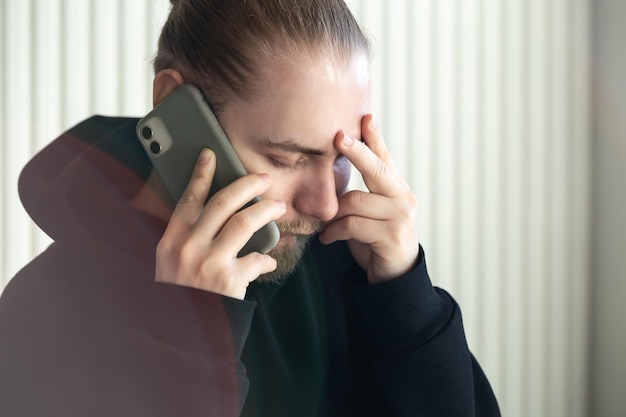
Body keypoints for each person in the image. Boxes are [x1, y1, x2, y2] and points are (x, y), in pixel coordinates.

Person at [0, 0, 500, 416]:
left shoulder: (350, 269)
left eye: (343, 158)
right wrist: (188, 346)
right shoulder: (42, 312)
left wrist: (407, 304)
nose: (326, 205)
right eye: (287, 158)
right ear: (175, 106)